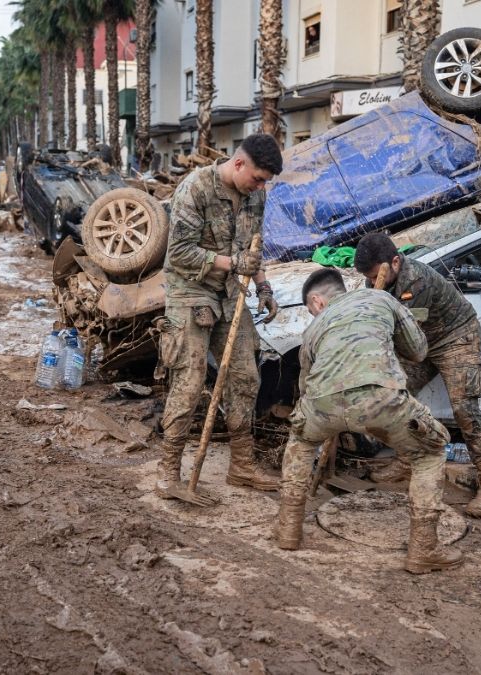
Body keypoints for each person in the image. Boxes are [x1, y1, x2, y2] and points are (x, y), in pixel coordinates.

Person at [274, 268, 463, 573]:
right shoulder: (381, 298)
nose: (313, 315)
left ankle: (288, 530)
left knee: (301, 440)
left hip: (322, 403)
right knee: (429, 453)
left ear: (317, 302)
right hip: (380, 398)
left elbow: (305, 386)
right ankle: (424, 549)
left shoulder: (313, 330)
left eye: (310, 310)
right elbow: (418, 351)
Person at [155, 133, 283, 499]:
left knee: (245, 378)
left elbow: (252, 248)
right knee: (190, 381)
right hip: (190, 293)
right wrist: (232, 263)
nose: (261, 186)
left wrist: (264, 287)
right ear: (238, 163)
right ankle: (167, 473)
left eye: (265, 182)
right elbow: (179, 252)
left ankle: (241, 466)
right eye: (258, 177)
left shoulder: (257, 195)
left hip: (231, 295)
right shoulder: (195, 188)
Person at [353, 233, 481, 517]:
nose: (373, 283)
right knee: (394, 397)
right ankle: (407, 460)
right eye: (369, 279)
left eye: (375, 276)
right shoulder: (378, 279)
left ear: (394, 262)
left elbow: (404, 335)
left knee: (465, 409)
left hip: (454, 336)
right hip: (419, 341)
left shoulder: (416, 282)